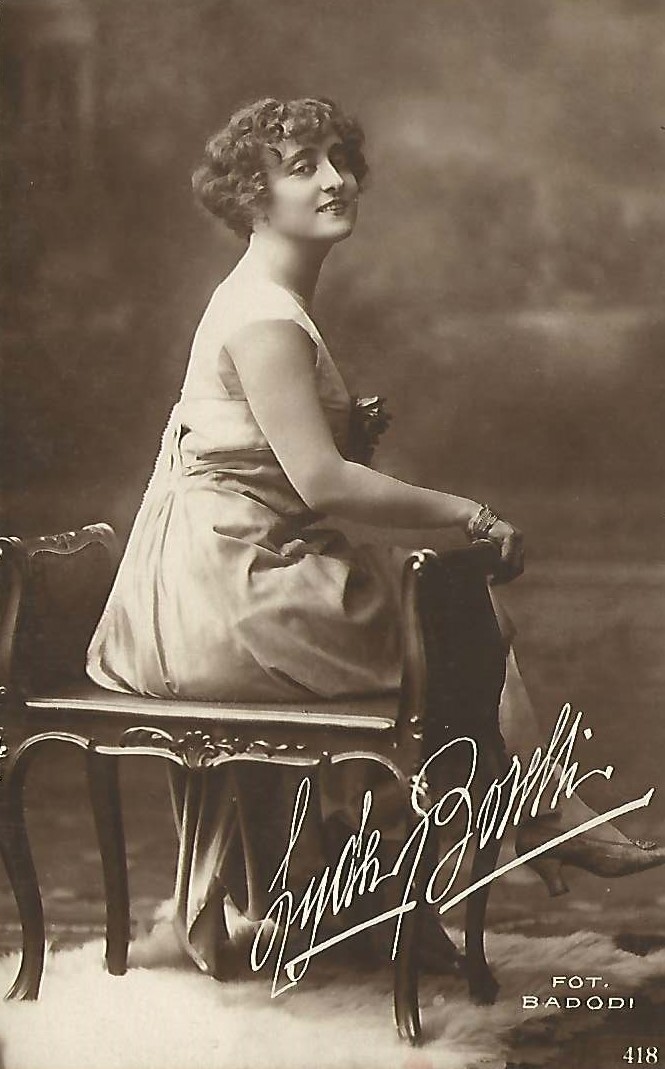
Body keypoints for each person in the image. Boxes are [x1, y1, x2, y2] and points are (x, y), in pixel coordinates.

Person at [86, 96, 664, 975]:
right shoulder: (264, 316)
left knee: (454, 625)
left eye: (339, 159)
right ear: (252, 195)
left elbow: (265, 453)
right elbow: (320, 483)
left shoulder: (266, 300)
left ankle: (471, 847)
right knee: (455, 626)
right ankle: (537, 819)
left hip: (223, 571)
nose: (336, 179)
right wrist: (470, 512)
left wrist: (344, 427)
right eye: (304, 166)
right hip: (217, 595)